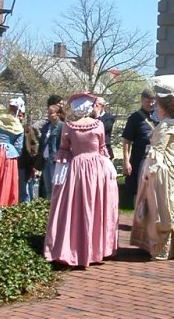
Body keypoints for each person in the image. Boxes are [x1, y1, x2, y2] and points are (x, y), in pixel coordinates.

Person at [43, 92, 119, 268]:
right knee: (95, 205)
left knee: (74, 207)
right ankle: (94, 248)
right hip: (96, 169)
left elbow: (64, 149)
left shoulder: (68, 126)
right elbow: (102, 148)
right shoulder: (98, 125)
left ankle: (74, 246)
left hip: (76, 168)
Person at [130, 94, 174, 260]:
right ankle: (173, 247)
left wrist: (147, 171)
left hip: (162, 171)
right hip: (172, 169)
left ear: (164, 109)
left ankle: (161, 248)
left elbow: (159, 151)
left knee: (162, 208)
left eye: (159, 106)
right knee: (170, 206)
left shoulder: (166, 126)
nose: (156, 109)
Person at [122, 89, 156, 203]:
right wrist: (126, 161)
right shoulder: (134, 118)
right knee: (138, 190)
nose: (151, 104)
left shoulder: (159, 117)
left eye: (153, 101)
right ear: (142, 100)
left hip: (155, 160)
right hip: (139, 159)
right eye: (148, 101)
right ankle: (138, 217)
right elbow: (127, 141)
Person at [0, 98, 24, 207]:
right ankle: (4, 203)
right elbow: (19, 146)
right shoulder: (18, 126)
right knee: (6, 180)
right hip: (9, 155)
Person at [38, 104, 63, 199]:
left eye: (51, 113)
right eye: (48, 113)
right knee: (48, 188)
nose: (48, 115)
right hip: (45, 160)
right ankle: (49, 209)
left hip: (55, 161)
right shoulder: (46, 126)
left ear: (58, 114)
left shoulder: (62, 126)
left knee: (55, 187)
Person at [18, 112, 40, 202]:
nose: (18, 117)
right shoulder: (9, 128)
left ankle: (25, 206)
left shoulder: (27, 129)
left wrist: (33, 160)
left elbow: (34, 145)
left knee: (24, 187)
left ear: (23, 116)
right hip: (12, 162)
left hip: (24, 163)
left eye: (20, 115)